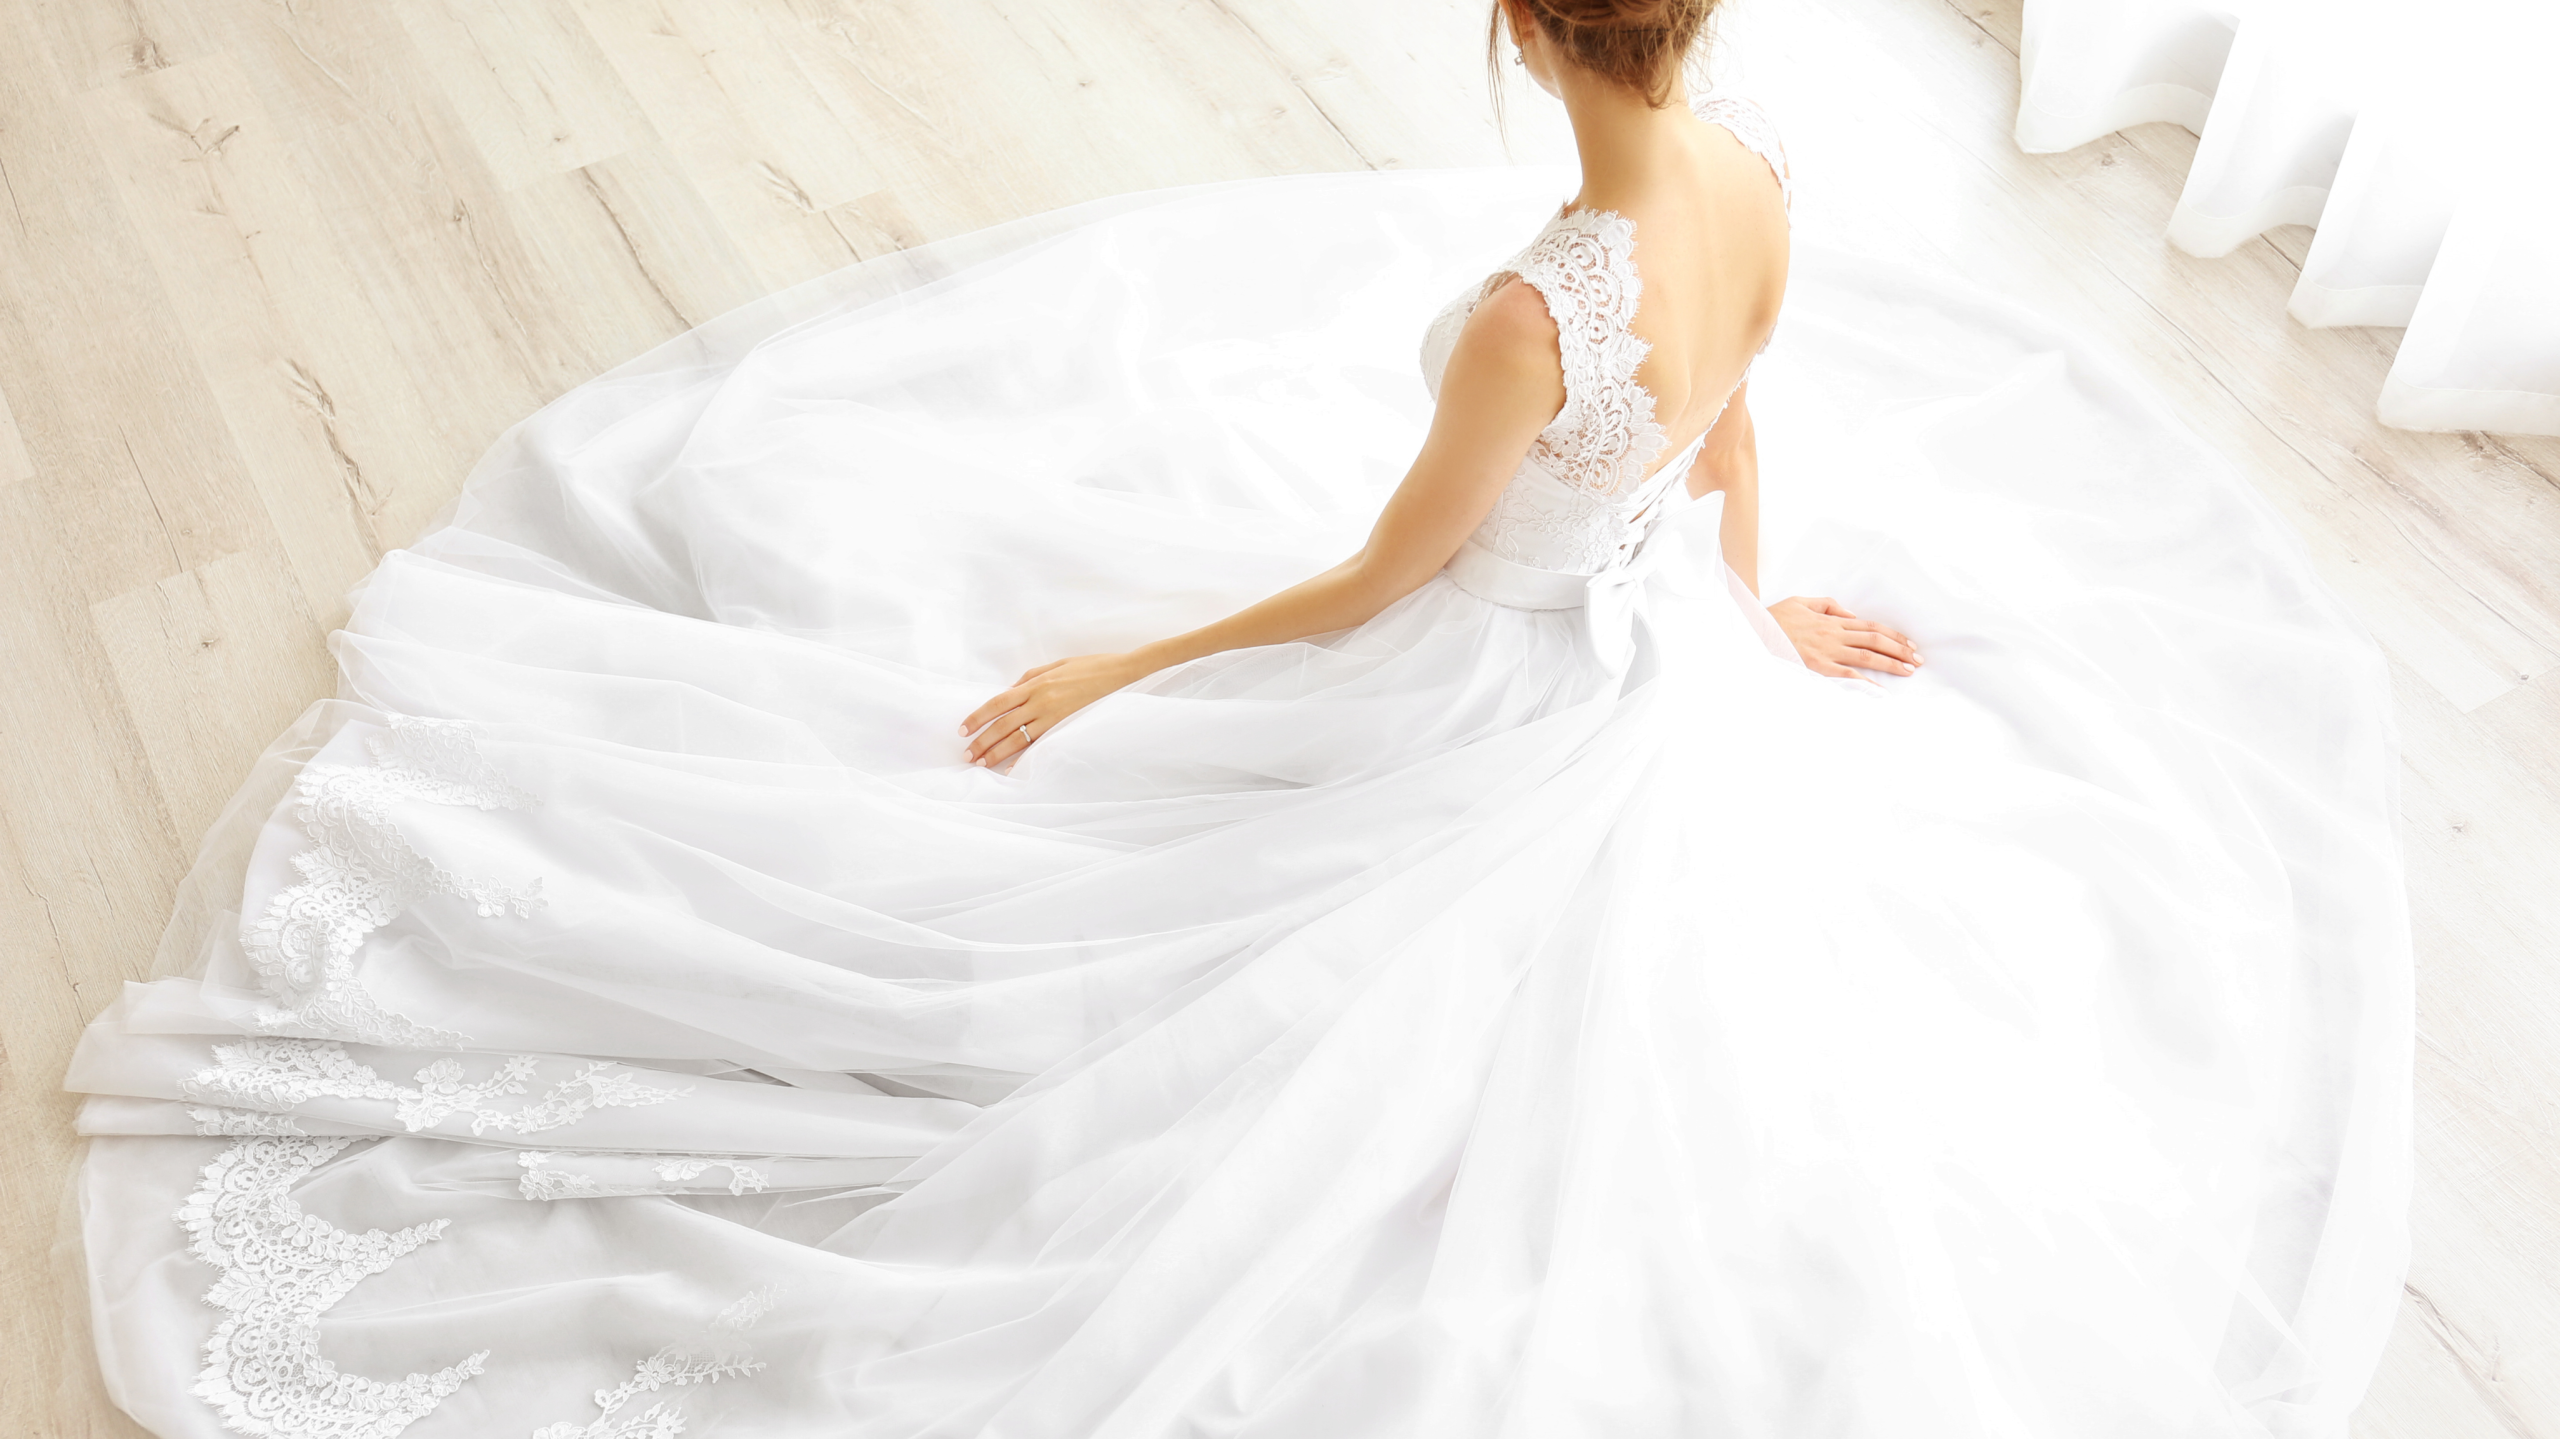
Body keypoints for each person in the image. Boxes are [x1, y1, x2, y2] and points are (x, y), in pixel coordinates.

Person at [63, 2, 2410, 1436]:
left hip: (1491, 684)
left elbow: (1382, 583)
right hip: (1654, 659)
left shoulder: (1538, 311)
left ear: (1521, 32)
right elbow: (1733, 422)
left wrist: (1121, 666)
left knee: (1100, 976)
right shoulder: (1757, 177)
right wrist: (1744, 598)